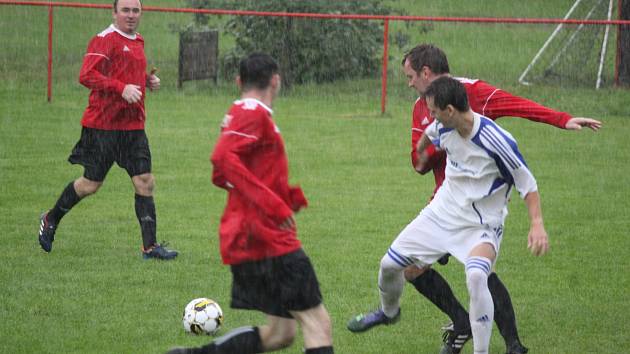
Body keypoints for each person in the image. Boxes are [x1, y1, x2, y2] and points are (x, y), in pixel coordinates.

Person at [348, 43, 601, 354]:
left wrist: (562, 119)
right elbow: (422, 151)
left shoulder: (478, 104)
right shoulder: (428, 110)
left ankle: (512, 345)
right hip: (444, 206)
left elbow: (518, 109)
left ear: (427, 74)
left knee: (480, 276)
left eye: (411, 76)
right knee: (406, 269)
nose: (410, 83)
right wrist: (423, 152)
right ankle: (451, 321)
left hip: (481, 213)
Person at [166, 53, 333, 354]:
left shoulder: (237, 111)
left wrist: (282, 195)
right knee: (317, 324)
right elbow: (221, 159)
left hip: (248, 237)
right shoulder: (252, 113)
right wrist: (273, 205)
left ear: (238, 81)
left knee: (281, 333)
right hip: (266, 238)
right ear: (275, 80)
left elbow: (222, 176)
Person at [37, 0, 177, 260]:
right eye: (125, 10)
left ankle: (150, 247)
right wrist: (121, 88)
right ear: (114, 13)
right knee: (90, 184)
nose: (131, 15)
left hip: (133, 127)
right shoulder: (104, 39)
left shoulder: (138, 40)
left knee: (144, 181)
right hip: (102, 126)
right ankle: (50, 218)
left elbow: (128, 72)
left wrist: (146, 80)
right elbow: (86, 75)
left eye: (136, 10)